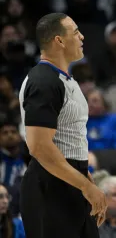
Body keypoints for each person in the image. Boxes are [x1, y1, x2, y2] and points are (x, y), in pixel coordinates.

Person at [18, 13, 107, 238]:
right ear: (59, 40)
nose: (82, 36)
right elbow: (39, 147)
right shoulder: (43, 81)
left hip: (69, 180)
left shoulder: (65, 79)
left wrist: (84, 177)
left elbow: (68, 138)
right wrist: (86, 187)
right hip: (50, 186)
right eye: (76, 32)